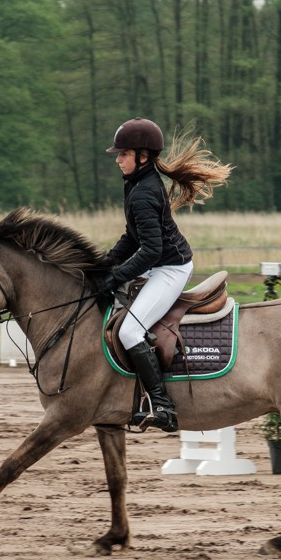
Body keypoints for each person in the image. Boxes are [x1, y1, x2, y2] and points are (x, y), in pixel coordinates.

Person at [99, 117, 232, 432]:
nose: (117, 159)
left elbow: (151, 251)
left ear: (143, 157)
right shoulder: (135, 185)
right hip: (158, 263)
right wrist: (105, 264)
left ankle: (162, 404)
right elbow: (132, 237)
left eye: (124, 154)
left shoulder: (143, 193)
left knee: (129, 332)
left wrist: (115, 277)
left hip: (170, 269)